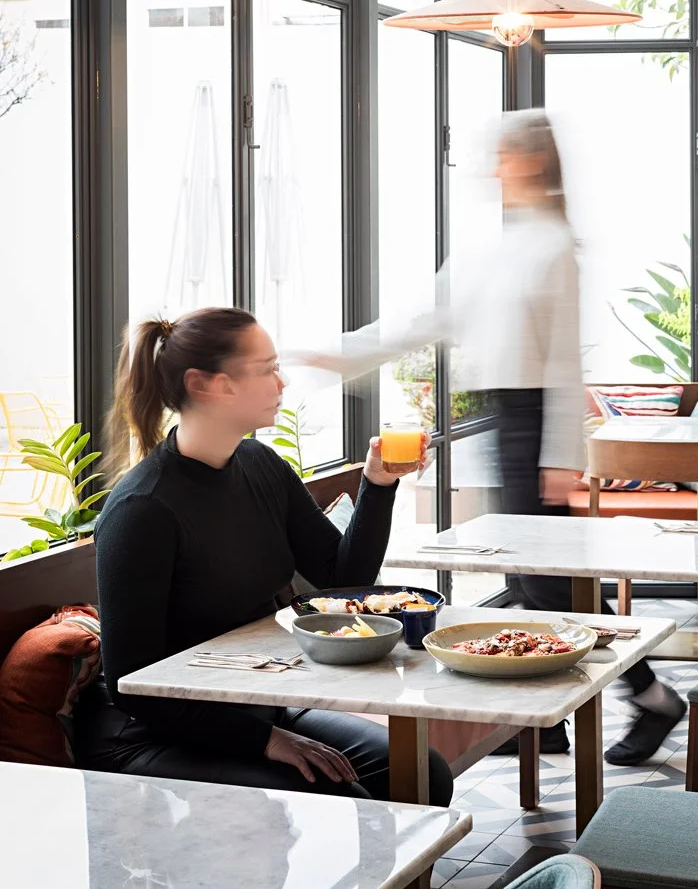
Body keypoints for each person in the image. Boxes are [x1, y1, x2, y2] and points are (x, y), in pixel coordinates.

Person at [293, 112, 685, 765]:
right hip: (507, 421)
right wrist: (341, 355)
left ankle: (649, 699)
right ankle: (547, 722)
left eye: (496, 152)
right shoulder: (491, 243)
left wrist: (562, 457)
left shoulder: (553, 243)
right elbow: (428, 317)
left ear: (527, 160)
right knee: (527, 579)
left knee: (549, 587)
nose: (485, 163)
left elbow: (563, 359)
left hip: (533, 429)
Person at [74, 306, 453, 805]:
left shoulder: (259, 464)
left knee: (422, 773)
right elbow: (131, 685)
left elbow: (342, 578)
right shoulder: (142, 510)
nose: (283, 381)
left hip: (252, 702)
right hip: (149, 733)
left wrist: (377, 484)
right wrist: (268, 741)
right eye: (267, 368)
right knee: (346, 797)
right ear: (209, 385)